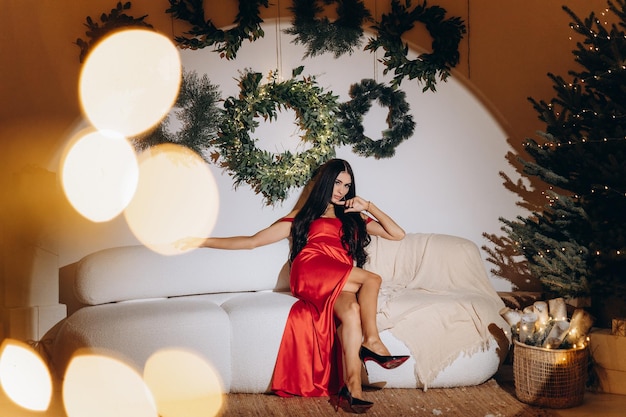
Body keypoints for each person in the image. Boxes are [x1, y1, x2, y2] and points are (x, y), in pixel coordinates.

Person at [179, 158, 409, 413]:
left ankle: (352, 389)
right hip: (311, 270)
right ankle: (373, 342)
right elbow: (252, 241)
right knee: (372, 279)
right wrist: (200, 240)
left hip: (341, 279)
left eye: (347, 185)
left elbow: (397, 234)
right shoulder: (303, 216)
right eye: (336, 182)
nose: (342, 190)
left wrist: (369, 206)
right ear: (324, 182)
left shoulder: (353, 217)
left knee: (352, 313)